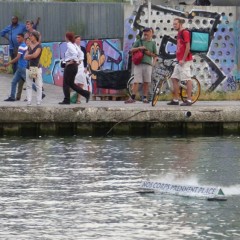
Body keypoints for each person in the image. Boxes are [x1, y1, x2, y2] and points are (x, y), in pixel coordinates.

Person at [125, 27, 157, 104]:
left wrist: (153, 63)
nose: (145, 34)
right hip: (138, 64)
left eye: (147, 32)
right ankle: (132, 97)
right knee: (136, 81)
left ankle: (145, 98)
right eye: (144, 32)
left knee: (146, 82)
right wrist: (139, 48)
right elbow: (131, 50)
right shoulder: (139, 41)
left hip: (148, 64)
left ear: (151, 33)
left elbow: (155, 55)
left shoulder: (153, 43)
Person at [167, 18, 193, 106]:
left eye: (175, 24)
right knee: (174, 78)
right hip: (179, 60)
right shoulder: (179, 33)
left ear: (180, 24)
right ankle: (176, 99)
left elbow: (187, 47)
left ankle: (189, 100)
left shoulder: (185, 32)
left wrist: (183, 59)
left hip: (185, 60)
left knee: (187, 79)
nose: (174, 26)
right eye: (173, 24)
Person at [59, 32, 90, 105]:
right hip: (74, 66)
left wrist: (73, 61)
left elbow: (75, 54)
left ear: (67, 37)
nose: (64, 38)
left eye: (65, 37)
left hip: (70, 66)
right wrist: (79, 61)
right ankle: (86, 93)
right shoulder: (74, 45)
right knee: (71, 84)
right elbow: (81, 54)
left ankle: (66, 100)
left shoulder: (69, 44)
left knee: (66, 84)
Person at [3, 33, 28, 101]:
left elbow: (17, 57)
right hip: (20, 67)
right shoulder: (24, 45)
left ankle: (40, 93)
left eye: (19, 37)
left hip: (22, 68)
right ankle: (12, 97)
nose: (17, 39)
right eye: (17, 37)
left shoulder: (22, 46)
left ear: (22, 38)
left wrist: (8, 63)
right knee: (14, 82)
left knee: (29, 82)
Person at [24, 31, 43, 106]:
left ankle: (39, 100)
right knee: (28, 85)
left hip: (36, 68)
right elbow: (25, 56)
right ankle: (29, 100)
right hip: (29, 67)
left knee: (38, 85)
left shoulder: (39, 46)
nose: (30, 38)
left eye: (31, 36)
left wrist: (29, 56)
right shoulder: (29, 46)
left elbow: (35, 55)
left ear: (35, 37)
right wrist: (28, 56)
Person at [74, 35, 88, 103]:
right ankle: (71, 97)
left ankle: (78, 99)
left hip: (81, 67)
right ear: (74, 40)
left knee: (81, 83)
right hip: (74, 67)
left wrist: (85, 67)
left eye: (79, 39)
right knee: (73, 83)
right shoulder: (72, 48)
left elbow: (85, 59)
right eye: (77, 39)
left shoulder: (83, 48)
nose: (78, 41)